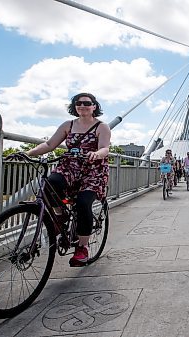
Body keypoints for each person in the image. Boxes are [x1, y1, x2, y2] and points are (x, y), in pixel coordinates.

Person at [26, 93, 111, 266]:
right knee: (51, 184)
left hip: (93, 170)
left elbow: (105, 148)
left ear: (94, 106)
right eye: (78, 103)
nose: (82, 105)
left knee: (82, 203)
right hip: (70, 167)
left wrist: (96, 154)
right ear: (74, 107)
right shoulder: (68, 125)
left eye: (87, 103)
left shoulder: (102, 127)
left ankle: (82, 247)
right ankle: (61, 215)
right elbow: (50, 145)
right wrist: (27, 153)